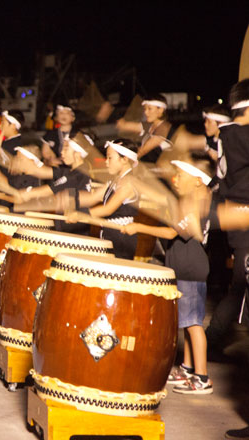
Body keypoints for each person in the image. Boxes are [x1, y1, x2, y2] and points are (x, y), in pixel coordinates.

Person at [122, 159, 215, 394]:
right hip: (183, 268)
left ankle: (202, 377)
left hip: (191, 269)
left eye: (181, 175)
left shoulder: (196, 205)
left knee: (194, 324)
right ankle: (187, 367)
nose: (176, 178)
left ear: (197, 181)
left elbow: (171, 231)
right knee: (185, 321)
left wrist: (138, 228)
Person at [206, 79, 249, 358]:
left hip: (238, 215)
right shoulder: (238, 134)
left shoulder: (229, 134)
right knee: (239, 287)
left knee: (239, 287)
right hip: (244, 218)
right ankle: (209, 342)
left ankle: (211, 341)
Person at [73, 139, 139, 259]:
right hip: (110, 233)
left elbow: (108, 209)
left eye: (110, 158)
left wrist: (80, 215)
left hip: (122, 237)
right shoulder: (114, 181)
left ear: (125, 159)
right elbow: (92, 198)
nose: (106, 162)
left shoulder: (129, 182)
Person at [116, 94, 175, 163]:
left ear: (160, 110)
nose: (146, 112)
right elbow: (123, 125)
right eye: (145, 109)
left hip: (162, 171)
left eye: (149, 109)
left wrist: (119, 159)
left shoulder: (163, 129)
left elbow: (141, 152)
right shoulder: (150, 126)